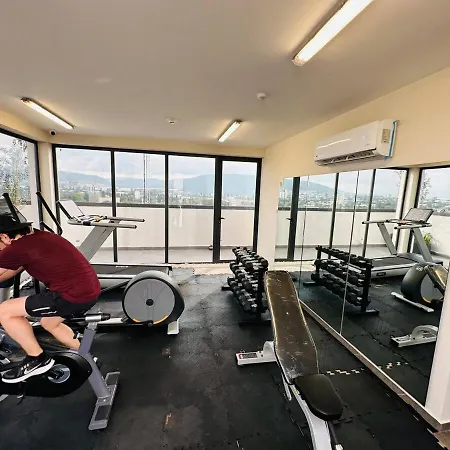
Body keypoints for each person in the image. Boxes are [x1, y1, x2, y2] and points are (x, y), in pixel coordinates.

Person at [0, 213, 101, 383]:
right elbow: (12, 268)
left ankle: (36, 359)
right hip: (89, 290)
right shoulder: (38, 237)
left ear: (4, 236)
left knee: (5, 311)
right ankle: (86, 355)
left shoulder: (16, 248)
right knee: (49, 323)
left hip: (70, 296)